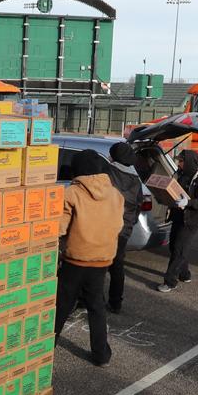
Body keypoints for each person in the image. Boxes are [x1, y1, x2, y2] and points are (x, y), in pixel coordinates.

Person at [54, 149, 125, 366]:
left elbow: (60, 227)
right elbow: (119, 225)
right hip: (102, 259)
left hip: (76, 259)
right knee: (96, 306)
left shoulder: (72, 193)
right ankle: (101, 354)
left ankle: (46, 346)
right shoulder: (115, 194)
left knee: (63, 303)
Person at [158, 149, 198, 293]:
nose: (179, 164)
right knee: (175, 247)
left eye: (181, 161)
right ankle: (184, 274)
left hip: (191, 221)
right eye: (179, 161)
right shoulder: (182, 175)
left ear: (189, 162)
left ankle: (170, 282)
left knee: (178, 250)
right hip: (178, 217)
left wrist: (187, 203)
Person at [104, 142, 144, 314]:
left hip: (106, 226)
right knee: (117, 266)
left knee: (96, 264)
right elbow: (138, 205)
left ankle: (88, 300)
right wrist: (129, 223)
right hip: (123, 229)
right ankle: (115, 303)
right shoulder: (135, 180)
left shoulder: (108, 173)